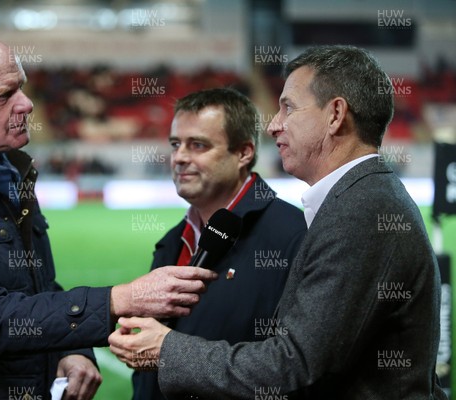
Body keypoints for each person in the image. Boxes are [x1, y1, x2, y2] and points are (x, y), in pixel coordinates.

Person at [0, 27, 216, 400]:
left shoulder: (7, 170)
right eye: (4, 95)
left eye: (22, 87)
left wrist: (71, 352)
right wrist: (120, 299)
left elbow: (36, 290)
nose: (27, 103)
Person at [109, 45, 447, 399]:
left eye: (288, 107)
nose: (272, 125)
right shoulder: (362, 200)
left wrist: (167, 351)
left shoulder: (361, 210)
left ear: (335, 115)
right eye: (175, 144)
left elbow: (294, 366)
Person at [131, 88, 306, 399]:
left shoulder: (293, 234)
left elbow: (295, 368)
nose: (180, 157)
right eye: (176, 144)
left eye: (198, 145)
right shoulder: (172, 242)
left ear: (244, 153)